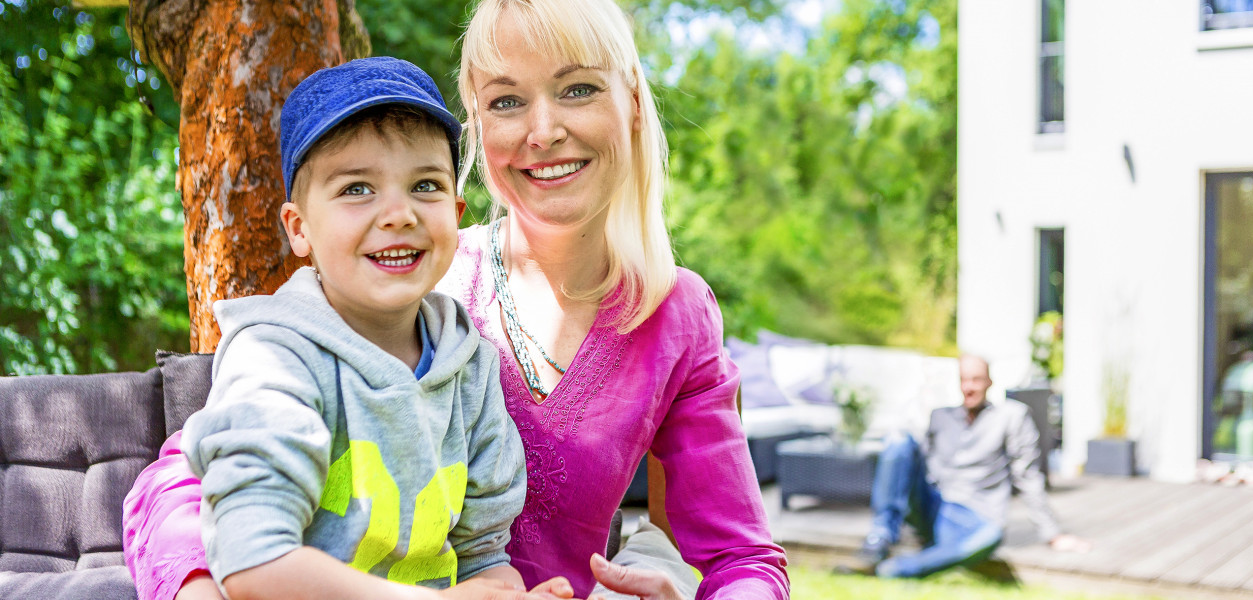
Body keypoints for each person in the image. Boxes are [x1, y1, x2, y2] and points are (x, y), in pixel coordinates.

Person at [122, 1, 790, 599]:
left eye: (578, 88)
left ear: (634, 101)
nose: (544, 129)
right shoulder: (409, 279)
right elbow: (188, 477)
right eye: (506, 102)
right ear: (476, 124)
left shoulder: (678, 315)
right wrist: (197, 583)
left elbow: (742, 558)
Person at [149, 56, 561, 600]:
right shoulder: (276, 355)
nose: (398, 213)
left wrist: (505, 592)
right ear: (300, 228)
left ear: (456, 214)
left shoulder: (471, 368)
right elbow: (252, 560)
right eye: (356, 189)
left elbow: (483, 555)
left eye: (425, 185)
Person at [848, 354, 1088, 578]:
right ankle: (878, 540)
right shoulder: (940, 416)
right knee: (898, 440)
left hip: (976, 515)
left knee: (990, 537)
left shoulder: (1011, 417)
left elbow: (1027, 476)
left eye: (976, 380)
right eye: (964, 380)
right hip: (934, 506)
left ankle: (895, 569)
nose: (969, 387)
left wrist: (1052, 533)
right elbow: (913, 465)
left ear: (990, 382)